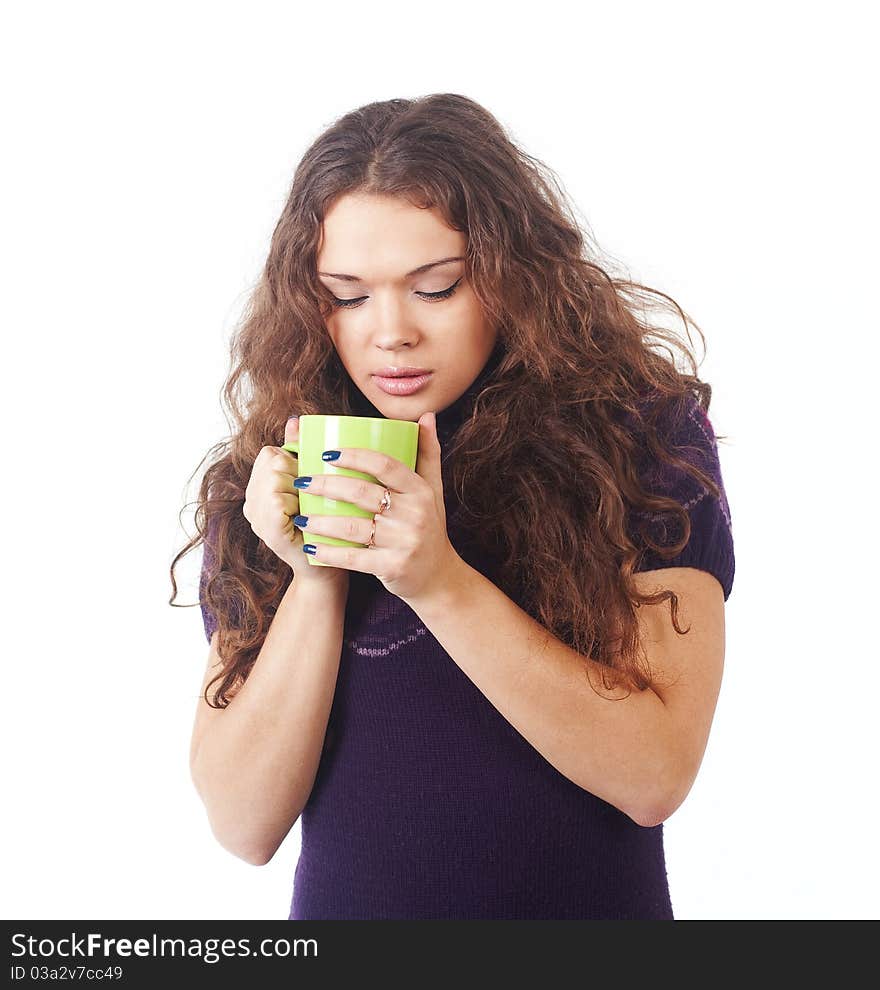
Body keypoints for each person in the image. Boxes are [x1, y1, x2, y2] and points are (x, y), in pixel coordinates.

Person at [174, 93, 735, 920]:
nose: (390, 331)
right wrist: (316, 572)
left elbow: (655, 776)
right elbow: (244, 824)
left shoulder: (640, 439)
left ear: (513, 277)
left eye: (436, 287)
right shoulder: (270, 473)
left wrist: (437, 579)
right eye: (349, 295)